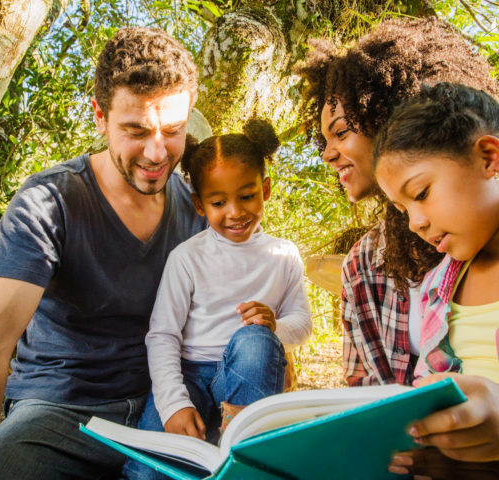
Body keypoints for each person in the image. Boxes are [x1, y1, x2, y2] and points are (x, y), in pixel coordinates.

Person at [0, 27, 208, 480]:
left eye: (173, 130)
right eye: (135, 130)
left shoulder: (199, 208)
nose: (157, 152)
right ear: (100, 116)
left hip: (165, 407)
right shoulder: (49, 202)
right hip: (61, 413)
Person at [296, 17, 499, 387]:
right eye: (405, 208)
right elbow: (368, 390)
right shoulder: (364, 266)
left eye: (341, 132)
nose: (327, 154)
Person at [123, 118, 311, 480]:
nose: (235, 212)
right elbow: (163, 335)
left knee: (255, 339)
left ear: (265, 189)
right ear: (198, 204)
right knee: (148, 472)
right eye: (218, 201)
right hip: (190, 375)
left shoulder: (284, 254)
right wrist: (175, 404)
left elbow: (301, 325)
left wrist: (274, 325)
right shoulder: (187, 258)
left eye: (246, 196)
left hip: (246, 373)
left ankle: (243, 446)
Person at [373, 82, 499, 475]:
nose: (416, 222)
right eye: (402, 208)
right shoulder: (436, 288)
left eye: (422, 193)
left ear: (490, 158)